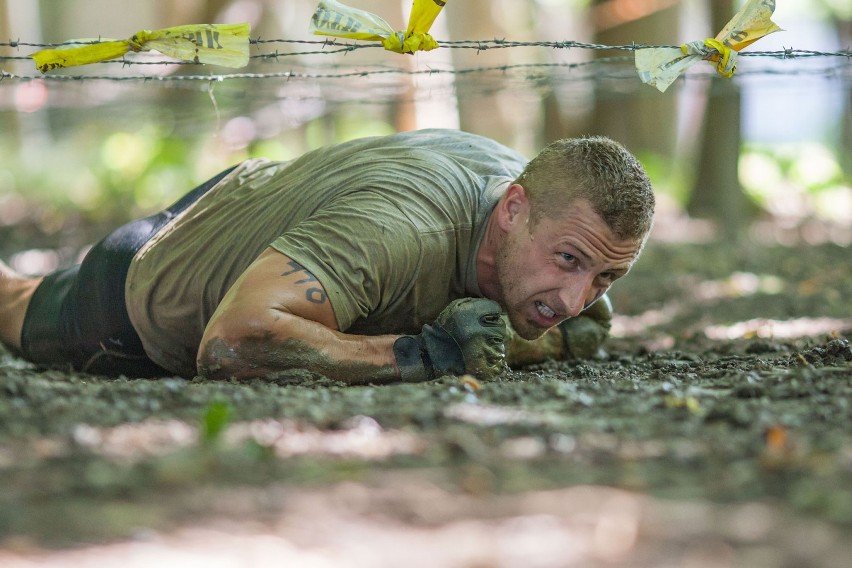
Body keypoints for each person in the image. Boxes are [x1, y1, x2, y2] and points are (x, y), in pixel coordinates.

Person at [0, 128, 654, 383]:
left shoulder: (545, 196)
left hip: (262, 209)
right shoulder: (405, 231)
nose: (574, 302)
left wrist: (536, 336)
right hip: (139, 296)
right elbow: (229, 343)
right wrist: (424, 354)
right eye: (569, 261)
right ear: (512, 210)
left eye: (605, 276)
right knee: (11, 302)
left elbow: (583, 322)